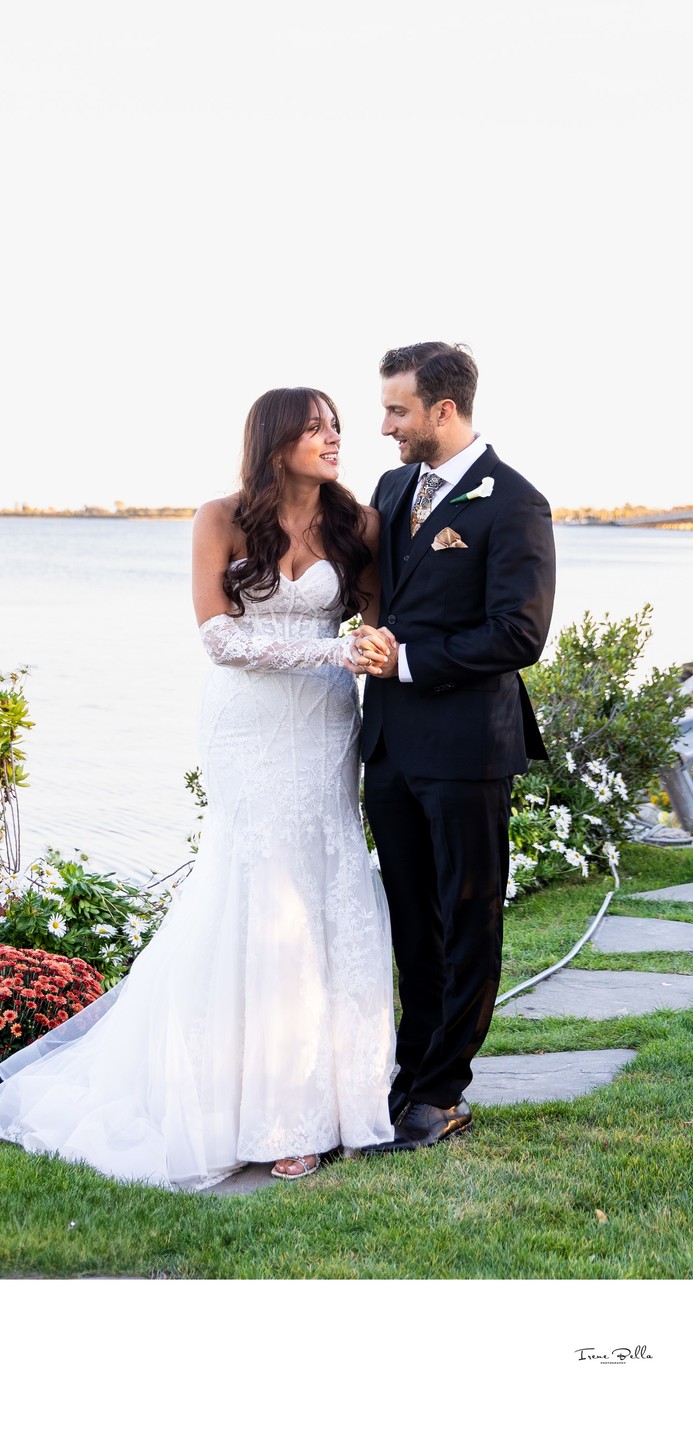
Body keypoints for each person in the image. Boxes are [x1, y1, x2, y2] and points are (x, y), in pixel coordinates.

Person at [0, 387, 397, 1188]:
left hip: (324, 730)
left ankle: (340, 1099)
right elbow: (217, 637)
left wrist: (368, 651)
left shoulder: (359, 524)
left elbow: (372, 621)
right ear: (275, 441)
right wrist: (329, 655)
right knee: (258, 890)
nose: (336, 437)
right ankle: (259, 1109)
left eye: (338, 424)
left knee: (326, 883)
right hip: (247, 727)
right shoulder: (221, 517)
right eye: (316, 427)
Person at [349, 343, 555, 1152]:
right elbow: (379, 593)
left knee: (466, 920)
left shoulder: (514, 503)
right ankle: (408, 1073)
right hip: (390, 745)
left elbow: (518, 632)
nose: (385, 425)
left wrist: (405, 658)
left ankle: (441, 1090)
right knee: (410, 921)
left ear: (443, 410)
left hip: (468, 746)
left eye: (397, 410)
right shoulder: (392, 487)